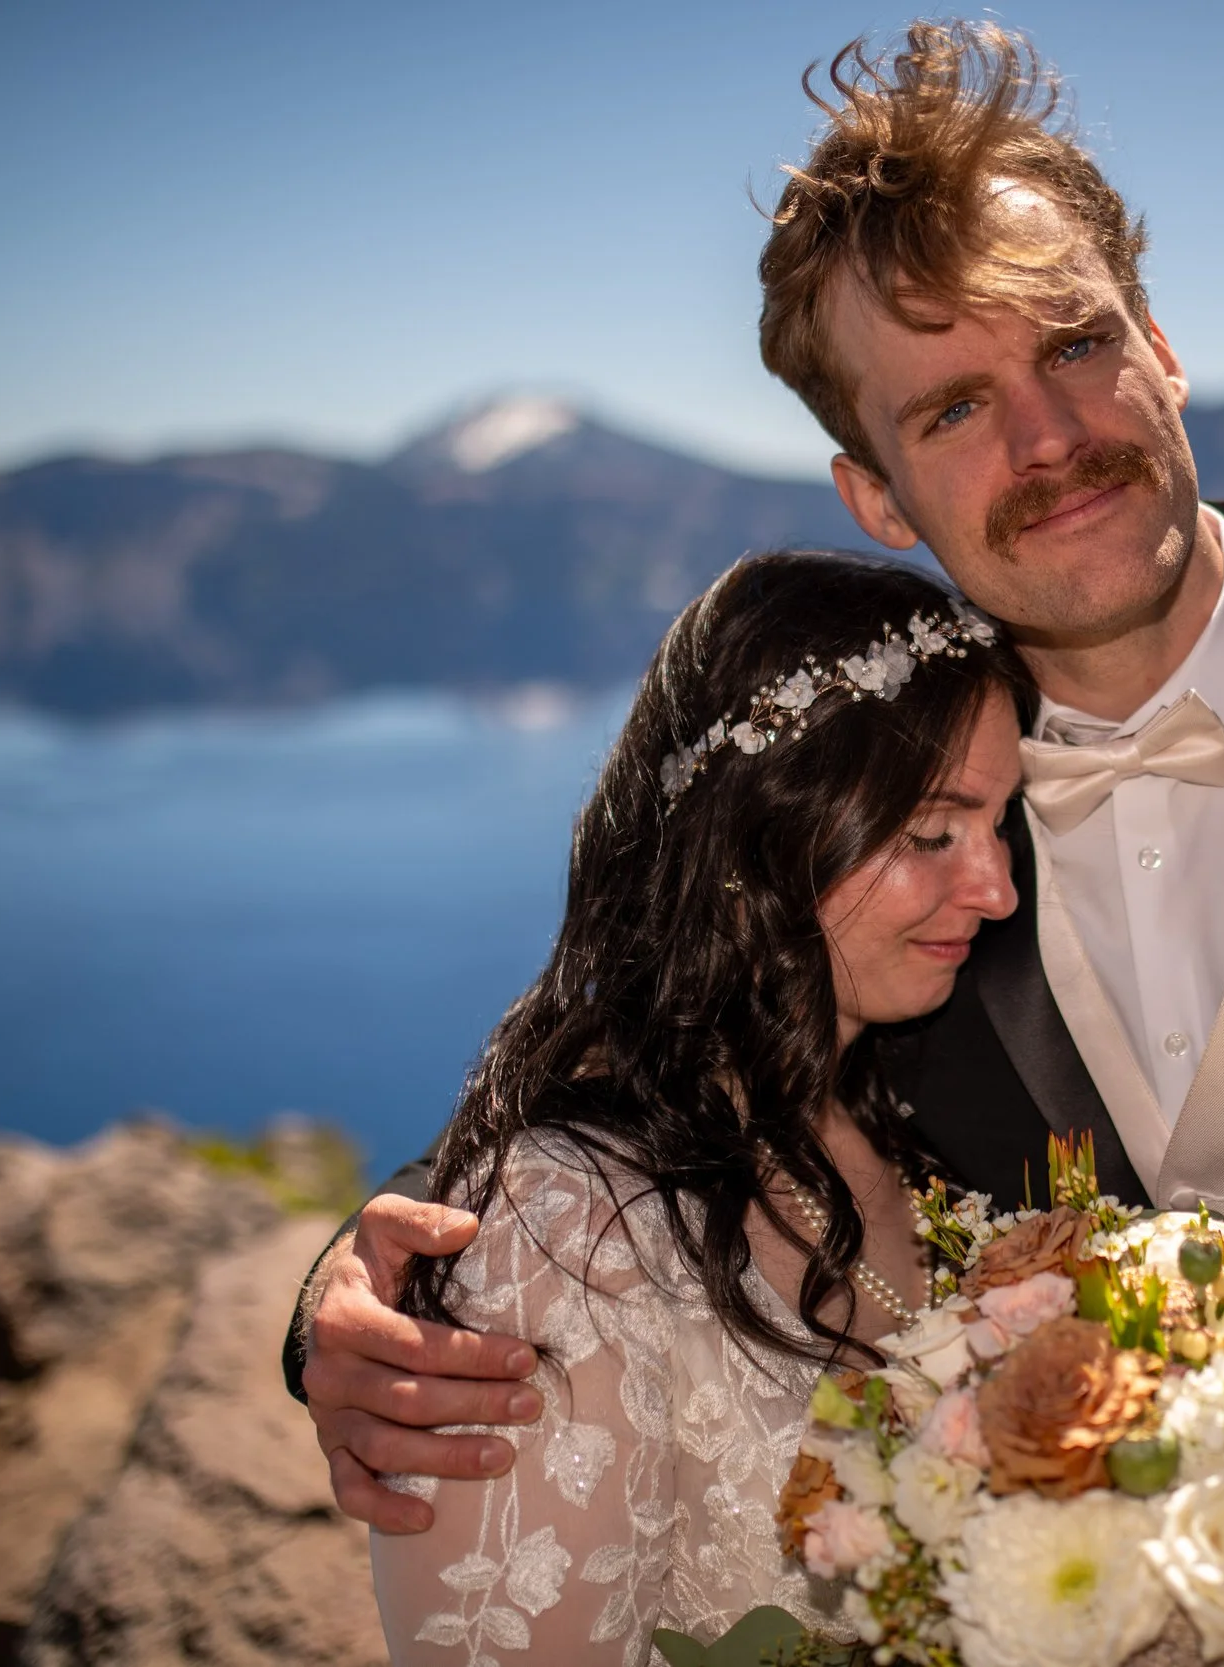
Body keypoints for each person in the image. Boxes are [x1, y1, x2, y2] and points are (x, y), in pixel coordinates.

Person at [301, 23, 1224, 1664]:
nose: (1048, 435)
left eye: (1077, 344)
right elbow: (650, 1070)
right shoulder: (875, 823)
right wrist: (353, 1295)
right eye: (956, 405)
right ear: (876, 494)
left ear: (1161, 345)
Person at [363, 550, 1031, 1659]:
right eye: (933, 833)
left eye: (1002, 822)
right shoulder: (564, 1232)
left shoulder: (905, 1114)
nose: (997, 888)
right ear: (761, 832)